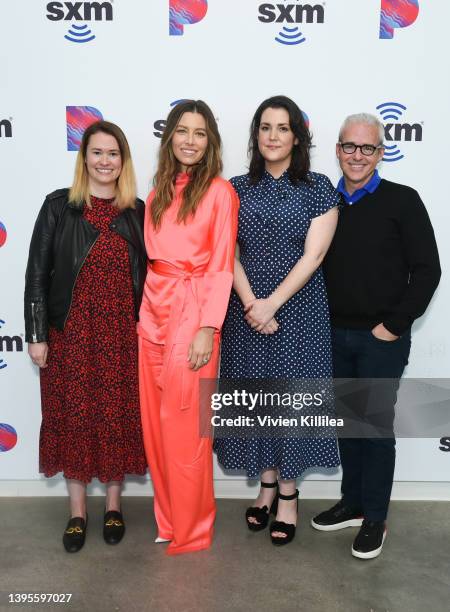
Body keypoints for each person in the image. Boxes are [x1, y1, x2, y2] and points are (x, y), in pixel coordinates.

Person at [311, 113, 441, 559]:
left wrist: (393, 326)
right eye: (349, 147)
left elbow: (428, 271)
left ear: (380, 153)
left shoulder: (402, 201)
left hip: (380, 338)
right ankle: (352, 502)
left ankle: (375, 518)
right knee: (347, 424)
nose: (357, 156)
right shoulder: (325, 202)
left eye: (367, 148)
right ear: (338, 150)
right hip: (332, 334)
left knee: (374, 427)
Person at [214, 95, 341, 546]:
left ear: (296, 136)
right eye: (265, 127)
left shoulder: (320, 187)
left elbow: (316, 254)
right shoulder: (234, 188)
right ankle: (266, 486)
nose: (272, 136)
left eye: (282, 128)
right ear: (255, 135)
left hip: (300, 313)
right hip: (244, 311)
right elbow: (224, 248)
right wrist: (252, 302)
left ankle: (288, 494)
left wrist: (272, 304)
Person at [24, 120, 147, 553]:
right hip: (70, 334)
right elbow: (37, 274)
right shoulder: (59, 207)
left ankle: (114, 506)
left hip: (121, 336)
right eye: (97, 152)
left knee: (114, 417)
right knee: (73, 419)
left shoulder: (137, 212)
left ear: (123, 161)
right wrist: (37, 334)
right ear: (84, 158)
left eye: (113, 153)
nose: (105, 161)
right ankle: (77, 513)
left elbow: (152, 280)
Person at [138, 100, 239, 556]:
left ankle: (194, 529)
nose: (191, 141)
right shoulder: (158, 191)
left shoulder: (220, 193)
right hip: (152, 312)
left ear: (210, 141)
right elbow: (152, 259)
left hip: (194, 313)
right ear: (170, 137)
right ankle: (169, 519)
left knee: (186, 431)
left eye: (200, 133)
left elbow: (220, 266)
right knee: (156, 428)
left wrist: (208, 328)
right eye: (183, 131)